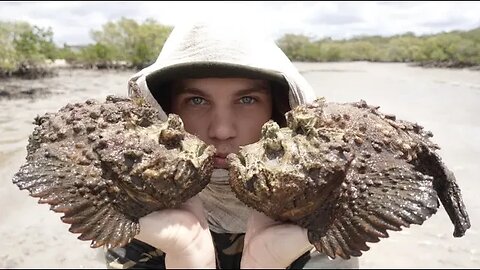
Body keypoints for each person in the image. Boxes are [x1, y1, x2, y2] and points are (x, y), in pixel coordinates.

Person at [105, 19, 360, 269]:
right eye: (196, 101)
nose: (221, 130)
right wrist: (188, 256)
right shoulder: (139, 220)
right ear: (165, 112)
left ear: (279, 112)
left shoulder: (320, 221)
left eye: (247, 100)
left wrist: (266, 262)